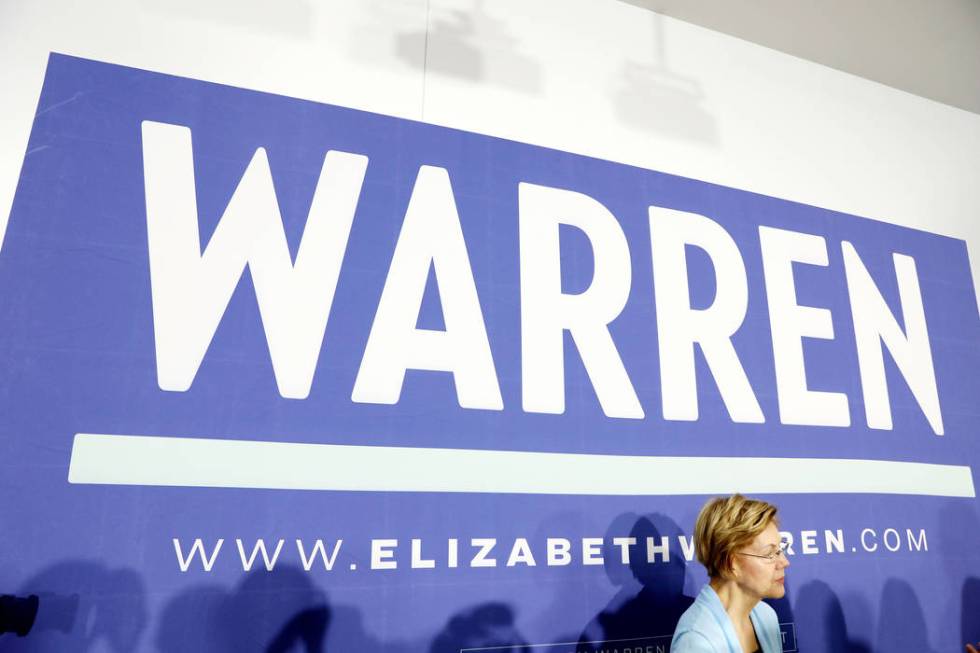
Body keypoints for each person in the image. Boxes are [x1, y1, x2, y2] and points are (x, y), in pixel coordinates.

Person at [671, 494, 788, 652]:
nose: (784, 562)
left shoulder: (767, 616)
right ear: (731, 563)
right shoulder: (696, 641)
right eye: (769, 554)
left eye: (780, 550)